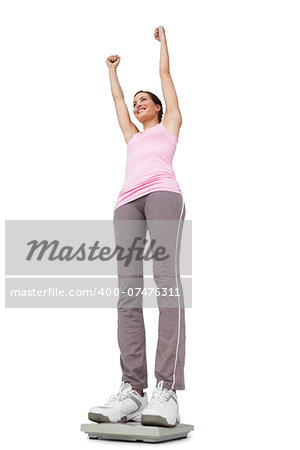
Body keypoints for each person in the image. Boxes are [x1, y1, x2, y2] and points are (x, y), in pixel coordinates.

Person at [89, 26, 186, 428]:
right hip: (126, 204)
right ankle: (132, 390)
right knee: (127, 293)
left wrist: (164, 45)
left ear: (159, 109)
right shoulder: (131, 135)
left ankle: (166, 390)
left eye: (144, 100)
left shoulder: (171, 125)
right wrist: (113, 71)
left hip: (164, 196)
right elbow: (115, 99)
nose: (137, 103)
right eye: (135, 101)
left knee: (165, 283)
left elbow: (165, 77)